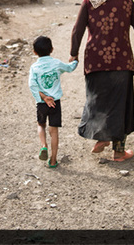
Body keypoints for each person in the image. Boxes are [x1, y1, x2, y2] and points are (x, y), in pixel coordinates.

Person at [70, 0, 134, 162]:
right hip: (121, 61)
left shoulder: (89, 2)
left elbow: (77, 30)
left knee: (97, 100)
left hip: (95, 61)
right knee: (121, 105)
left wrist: (74, 54)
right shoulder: (127, 2)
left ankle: (101, 137)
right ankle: (119, 151)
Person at [28, 35, 79, 168]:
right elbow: (70, 68)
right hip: (55, 102)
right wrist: (75, 60)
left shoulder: (34, 67)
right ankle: (53, 160)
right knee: (54, 131)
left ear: (34, 52)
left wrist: (44, 97)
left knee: (41, 125)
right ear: (52, 49)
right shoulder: (56, 63)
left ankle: (43, 146)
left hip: (42, 103)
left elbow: (32, 85)